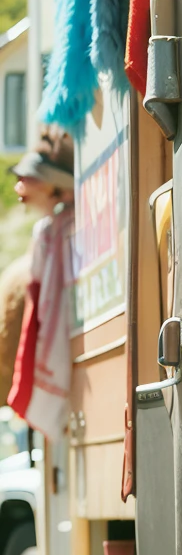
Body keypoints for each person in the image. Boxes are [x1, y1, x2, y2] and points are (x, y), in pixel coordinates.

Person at [1, 127, 75, 422]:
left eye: (26, 177)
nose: (19, 186)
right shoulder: (49, 233)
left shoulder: (56, 232)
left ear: (52, 186)